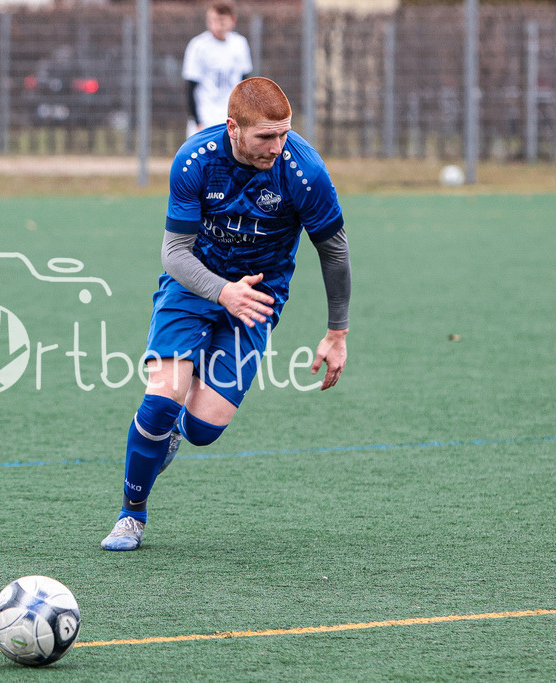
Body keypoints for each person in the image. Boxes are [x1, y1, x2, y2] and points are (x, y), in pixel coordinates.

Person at [100, 77, 350, 551]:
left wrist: (337, 332)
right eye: (265, 137)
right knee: (160, 402)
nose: (278, 147)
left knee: (202, 430)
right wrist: (220, 291)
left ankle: (174, 433)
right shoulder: (195, 160)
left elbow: (334, 253)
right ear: (233, 128)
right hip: (194, 283)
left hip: (257, 299)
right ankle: (131, 514)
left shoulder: (305, 171)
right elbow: (174, 253)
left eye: (284, 134)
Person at [182, 0, 253, 136]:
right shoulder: (198, 46)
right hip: (206, 118)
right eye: (212, 20)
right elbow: (190, 87)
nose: (216, 26)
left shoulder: (240, 44)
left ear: (233, 21)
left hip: (231, 118)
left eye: (221, 21)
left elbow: (244, 83)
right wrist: (197, 122)